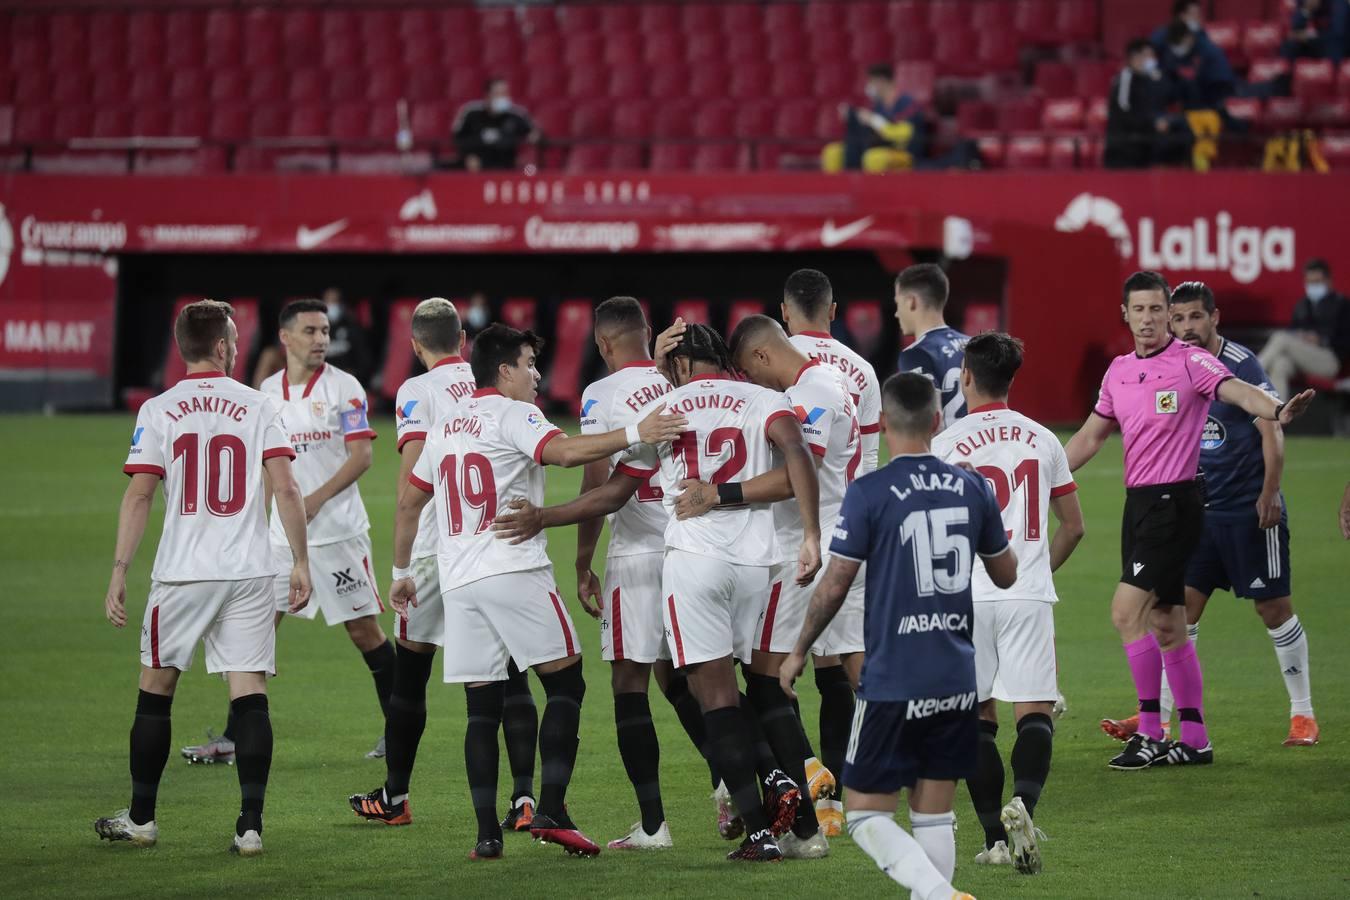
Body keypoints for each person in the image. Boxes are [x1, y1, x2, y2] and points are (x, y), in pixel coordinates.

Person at [495, 323, 824, 862]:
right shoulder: (767, 399)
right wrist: (809, 534)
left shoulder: (669, 411)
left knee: (710, 693)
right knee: (756, 688)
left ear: (684, 366)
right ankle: (799, 816)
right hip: (760, 567)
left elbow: (613, 493)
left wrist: (544, 518)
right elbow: (799, 460)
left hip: (695, 563)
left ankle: (760, 830)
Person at [389, 323, 685, 860]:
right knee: (567, 684)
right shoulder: (514, 413)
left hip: (459, 581)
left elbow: (411, 502)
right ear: (503, 370)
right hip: (514, 567)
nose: (536, 374)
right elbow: (567, 454)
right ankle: (550, 807)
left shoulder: (446, 424)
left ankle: (486, 835)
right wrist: (635, 432)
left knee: (481, 709)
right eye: (528, 363)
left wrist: (401, 572)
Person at [1064, 271, 1316, 771]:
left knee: (1124, 612)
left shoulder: (1190, 361)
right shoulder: (1117, 371)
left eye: (1158, 309)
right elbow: (1091, 437)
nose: (1151, 319)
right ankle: (1196, 739)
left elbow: (1238, 391)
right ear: (1126, 315)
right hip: (1138, 505)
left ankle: (1152, 732)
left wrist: (1277, 409)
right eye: (1140, 310)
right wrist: (1041, 474)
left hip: (1176, 504)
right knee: (1168, 622)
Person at [779, 372, 1017, 900]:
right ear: (937, 421)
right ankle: (940, 893)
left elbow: (835, 583)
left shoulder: (870, 492)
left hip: (893, 676)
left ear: (883, 423)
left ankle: (938, 894)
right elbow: (1006, 574)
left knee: (864, 814)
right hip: (957, 673)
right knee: (932, 816)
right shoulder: (972, 486)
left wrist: (798, 650)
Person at [95, 300, 311, 856]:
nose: (237, 347)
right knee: (250, 694)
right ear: (220, 347)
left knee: (156, 690)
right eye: (234, 339)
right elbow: (286, 489)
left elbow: (140, 493)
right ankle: (250, 827)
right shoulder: (258, 405)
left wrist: (119, 571)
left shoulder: (159, 410)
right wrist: (301, 561)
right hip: (249, 571)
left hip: (183, 573)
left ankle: (142, 818)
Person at [347, 298, 539, 830]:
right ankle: (524, 800)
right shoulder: (497, 386)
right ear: (462, 341)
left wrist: (399, 567)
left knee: (411, 675)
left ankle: (396, 796)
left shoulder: (417, 392)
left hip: (434, 551)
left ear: (415, 345)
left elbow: (413, 484)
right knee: (513, 675)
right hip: (495, 547)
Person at [673, 314, 860, 843]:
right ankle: (800, 801)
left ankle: (804, 774)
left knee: (763, 683)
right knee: (771, 678)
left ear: (759, 358)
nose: (755, 389)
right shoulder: (826, 382)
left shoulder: (814, 389)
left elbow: (795, 464)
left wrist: (719, 493)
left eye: (751, 377)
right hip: (806, 546)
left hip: (793, 550)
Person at [181, 299, 390, 765]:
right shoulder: (266, 392)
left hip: (337, 535)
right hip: (281, 539)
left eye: (325, 331)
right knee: (255, 632)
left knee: (363, 631)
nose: (321, 340)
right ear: (286, 337)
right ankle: (234, 739)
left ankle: (399, 728)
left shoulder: (346, 388)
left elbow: (362, 457)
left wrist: (314, 500)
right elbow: (262, 466)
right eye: (311, 331)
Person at [930, 333, 1086, 875]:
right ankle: (1025, 804)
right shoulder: (1044, 439)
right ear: (1011, 379)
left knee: (976, 717)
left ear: (965, 377)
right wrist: (1036, 569)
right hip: (1025, 593)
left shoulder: (946, 445)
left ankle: (994, 838)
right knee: (1035, 710)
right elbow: (1074, 526)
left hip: (966, 596)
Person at [781, 268, 883, 831]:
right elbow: (867, 460)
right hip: (849, 526)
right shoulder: (862, 370)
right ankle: (839, 794)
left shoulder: (772, 360)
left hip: (788, 526)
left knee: (775, 659)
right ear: (834, 308)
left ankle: (802, 776)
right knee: (843, 660)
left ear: (785, 311)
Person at [1257, 259, 1350, 402]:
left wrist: (1321, 339)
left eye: (1317, 282)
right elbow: (1293, 331)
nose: (1313, 286)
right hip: (1302, 358)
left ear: (1328, 281)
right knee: (1280, 364)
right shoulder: (1302, 306)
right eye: (1310, 282)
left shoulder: (1342, 305)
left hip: (1329, 360)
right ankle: (1277, 417)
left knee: (1280, 337)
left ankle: (1250, 372)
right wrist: (1302, 337)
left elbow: (1345, 341)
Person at [895, 263, 969, 429]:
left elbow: (928, 422)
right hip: (983, 449)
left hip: (948, 453)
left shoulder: (916, 354)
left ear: (911, 302)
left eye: (898, 303)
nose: (896, 313)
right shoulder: (976, 345)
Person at [822, 63, 927, 173]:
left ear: (881, 82)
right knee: (833, 152)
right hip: (879, 145)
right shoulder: (878, 106)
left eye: (871, 82)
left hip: (904, 151)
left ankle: (863, 185)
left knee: (873, 157)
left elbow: (904, 134)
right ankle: (842, 186)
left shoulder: (907, 104)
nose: (868, 86)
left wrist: (874, 121)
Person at [1104, 39, 1173, 169]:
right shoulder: (1125, 79)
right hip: (1123, 150)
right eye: (1149, 56)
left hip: (1143, 147)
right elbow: (1123, 111)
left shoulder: (1148, 80)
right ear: (1135, 57)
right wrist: (1152, 123)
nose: (1152, 60)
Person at [453, 77, 537, 171]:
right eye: (498, 94)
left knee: (529, 170)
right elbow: (457, 137)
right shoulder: (471, 112)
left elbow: (536, 134)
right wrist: (467, 156)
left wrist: (535, 136)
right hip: (476, 167)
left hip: (508, 167)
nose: (502, 97)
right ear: (487, 95)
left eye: (504, 93)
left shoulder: (516, 115)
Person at [1159, 20, 1236, 109]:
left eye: (1178, 44)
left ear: (1188, 38)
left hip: (1214, 95)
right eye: (1174, 45)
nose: (1177, 48)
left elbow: (1220, 82)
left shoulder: (1208, 51)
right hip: (1190, 98)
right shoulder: (1174, 54)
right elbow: (1168, 71)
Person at [321, 288, 373, 387]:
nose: (332, 305)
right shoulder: (316, 331)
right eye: (329, 301)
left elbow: (365, 360)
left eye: (335, 301)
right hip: (323, 384)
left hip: (349, 383)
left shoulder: (353, 328)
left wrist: (354, 374)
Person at [1285, 0, 1350, 63]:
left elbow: (1338, 33)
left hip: (1333, 44)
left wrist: (1310, 36)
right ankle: (1285, 71)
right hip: (1315, 42)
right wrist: (1307, 10)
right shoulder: (1304, 1)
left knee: (1334, 46)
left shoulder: (1338, 3)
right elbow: (1295, 29)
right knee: (1290, 45)